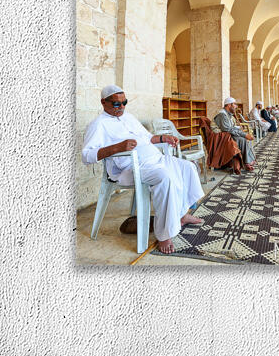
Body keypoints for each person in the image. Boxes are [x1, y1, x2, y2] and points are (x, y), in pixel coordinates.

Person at [82, 85, 204, 253]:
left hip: (155, 159)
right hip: (131, 168)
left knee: (188, 167)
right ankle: (164, 234)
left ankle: (182, 213)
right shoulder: (98, 125)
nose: (122, 107)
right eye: (117, 104)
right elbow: (86, 156)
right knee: (164, 177)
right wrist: (118, 147)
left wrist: (163, 138)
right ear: (103, 102)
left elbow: (148, 138)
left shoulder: (128, 117)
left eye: (124, 102)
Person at [213, 97, 256, 172]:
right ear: (229, 105)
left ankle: (247, 160)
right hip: (220, 137)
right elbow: (227, 129)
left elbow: (231, 127)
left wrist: (243, 133)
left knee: (243, 138)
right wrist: (244, 135)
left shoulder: (228, 114)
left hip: (225, 134)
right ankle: (247, 162)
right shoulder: (222, 115)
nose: (236, 106)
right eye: (234, 104)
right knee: (242, 139)